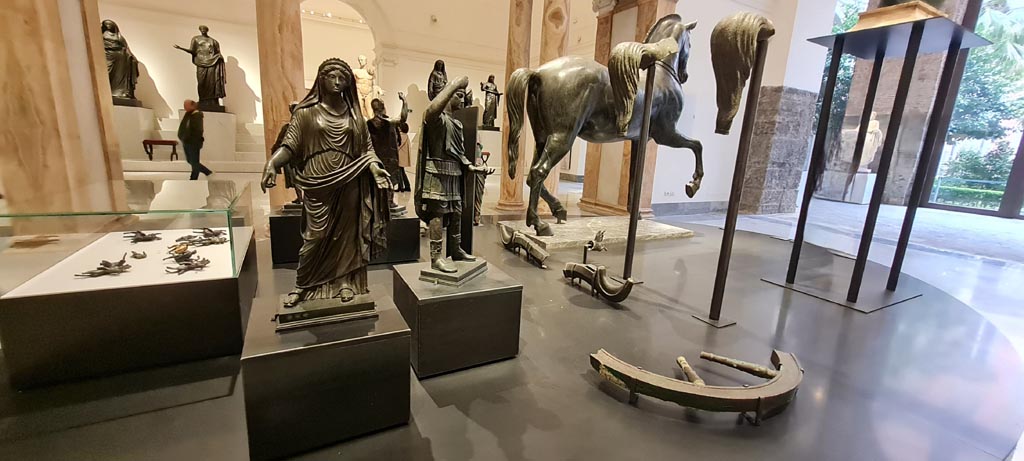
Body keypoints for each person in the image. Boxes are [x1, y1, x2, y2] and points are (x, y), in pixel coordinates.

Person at [261, 58, 392, 307]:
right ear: (321, 79)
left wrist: (374, 168)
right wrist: (272, 163)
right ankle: (303, 283)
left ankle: (344, 281)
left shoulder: (355, 116)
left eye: (342, 78)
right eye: (331, 76)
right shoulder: (306, 113)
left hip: (350, 179)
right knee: (315, 235)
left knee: (346, 235)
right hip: (317, 181)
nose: (337, 82)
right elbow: (289, 145)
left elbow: (367, 149)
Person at [414, 76, 493, 273]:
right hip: (437, 174)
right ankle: (436, 257)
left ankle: (456, 249)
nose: (463, 101)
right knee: (437, 215)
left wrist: (473, 167)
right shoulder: (437, 120)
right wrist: (454, 85)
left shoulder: (456, 124)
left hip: (454, 173)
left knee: (457, 212)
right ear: (448, 96)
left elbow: (459, 154)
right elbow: (431, 110)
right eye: (459, 96)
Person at [367, 94, 409, 213]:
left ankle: (380, 203)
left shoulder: (368, 124)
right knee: (389, 182)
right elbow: (403, 118)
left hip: (375, 158)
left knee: (378, 183)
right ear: (383, 108)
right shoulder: (389, 122)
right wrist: (404, 101)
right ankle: (388, 203)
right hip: (389, 158)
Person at [174, 25, 226, 110]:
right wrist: (181, 48)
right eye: (201, 29)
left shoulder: (214, 41)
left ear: (207, 30)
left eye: (204, 29)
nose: (203, 31)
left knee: (211, 83)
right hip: (200, 62)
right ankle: (202, 100)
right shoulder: (196, 39)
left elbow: (218, 53)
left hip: (212, 62)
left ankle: (212, 101)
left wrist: (219, 57)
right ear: (200, 30)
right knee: (201, 82)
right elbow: (192, 51)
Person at [101, 19, 138, 100]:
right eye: (106, 24)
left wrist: (131, 56)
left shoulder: (118, 36)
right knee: (107, 74)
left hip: (120, 59)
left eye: (110, 24)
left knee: (121, 74)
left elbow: (125, 47)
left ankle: (121, 92)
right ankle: (107, 92)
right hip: (107, 57)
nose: (108, 26)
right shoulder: (101, 35)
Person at [177, 100, 212, 180]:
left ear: (192, 106)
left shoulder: (197, 115)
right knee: (190, 160)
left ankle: (194, 178)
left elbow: (198, 130)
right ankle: (207, 172)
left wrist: (193, 139)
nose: (184, 107)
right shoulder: (188, 114)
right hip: (186, 141)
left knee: (194, 161)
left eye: (186, 105)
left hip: (193, 142)